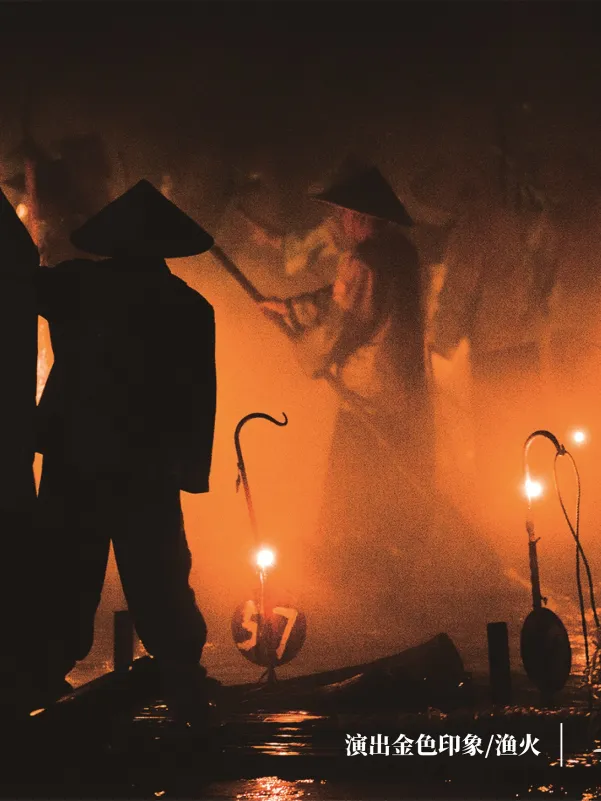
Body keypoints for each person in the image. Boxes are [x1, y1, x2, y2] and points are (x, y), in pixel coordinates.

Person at [32, 180, 217, 723]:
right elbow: (198, 399)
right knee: (159, 577)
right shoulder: (188, 306)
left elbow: (21, 281)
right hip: (147, 467)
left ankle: (41, 689)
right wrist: (189, 469)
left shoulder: (76, 286)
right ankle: (184, 685)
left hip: (77, 460)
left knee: (64, 574)